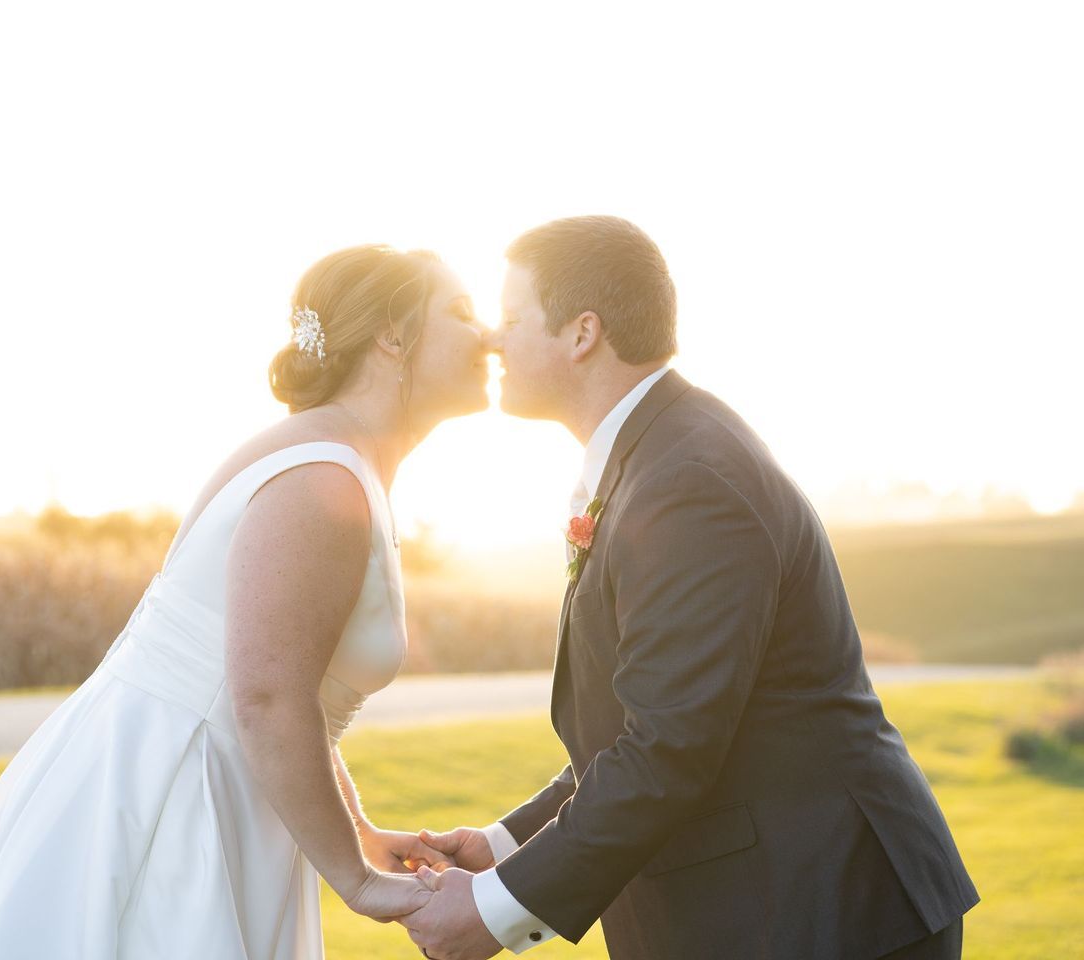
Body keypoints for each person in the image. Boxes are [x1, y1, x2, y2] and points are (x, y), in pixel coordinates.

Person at [406, 216, 978, 960]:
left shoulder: (686, 480)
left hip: (828, 911)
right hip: (775, 904)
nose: (491, 339)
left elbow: (669, 745)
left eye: (510, 319)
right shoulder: (657, 454)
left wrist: (494, 908)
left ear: (582, 333)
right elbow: (650, 716)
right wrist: (503, 843)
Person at [0, 243, 492, 959]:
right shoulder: (322, 479)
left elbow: (287, 684)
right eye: (463, 312)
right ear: (391, 335)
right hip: (180, 809)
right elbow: (266, 696)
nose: (488, 333)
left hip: (209, 790)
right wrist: (357, 881)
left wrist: (360, 832)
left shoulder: (336, 461)